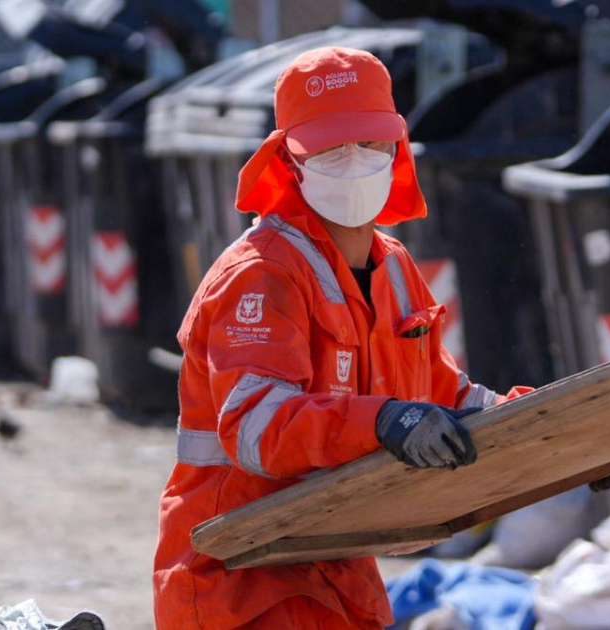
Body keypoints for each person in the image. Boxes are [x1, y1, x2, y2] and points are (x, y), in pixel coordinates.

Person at [152, 46, 528, 629]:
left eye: (370, 145)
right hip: (242, 580)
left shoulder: (395, 268)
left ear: (397, 150)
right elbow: (258, 428)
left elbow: (447, 402)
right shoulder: (260, 274)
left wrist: (562, 440)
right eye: (328, 149)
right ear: (289, 160)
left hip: (335, 563)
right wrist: (382, 421)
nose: (353, 162)